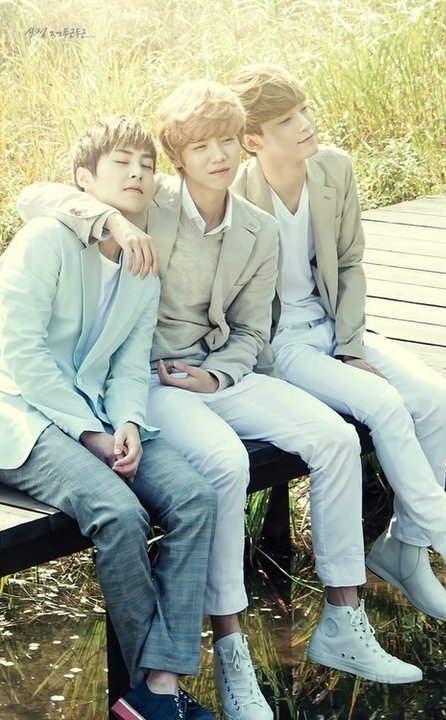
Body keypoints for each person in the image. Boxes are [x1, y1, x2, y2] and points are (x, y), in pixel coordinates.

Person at [17, 81, 423, 716]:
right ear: (179, 157)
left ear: (244, 144)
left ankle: (343, 619)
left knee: (336, 438)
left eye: (228, 141)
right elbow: (39, 198)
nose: (219, 155)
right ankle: (230, 657)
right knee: (221, 468)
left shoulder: (254, 229)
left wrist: (216, 377)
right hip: (139, 385)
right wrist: (113, 218)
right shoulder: (143, 205)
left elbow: (253, 330)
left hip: (209, 377)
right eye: (201, 145)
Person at [230, 63, 446, 624]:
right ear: (252, 139)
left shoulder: (333, 168)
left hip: (333, 325)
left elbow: (348, 264)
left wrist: (349, 346)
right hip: (283, 345)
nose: (305, 124)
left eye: (304, 110)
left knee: (435, 398)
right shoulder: (235, 194)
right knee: (383, 404)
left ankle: (406, 548)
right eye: (286, 120)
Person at [0, 116, 218, 720]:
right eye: (122, 163)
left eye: (147, 165)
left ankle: (158, 687)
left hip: (97, 414)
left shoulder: (141, 262)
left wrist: (126, 423)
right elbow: (20, 353)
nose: (138, 173)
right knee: (120, 513)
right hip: (19, 414)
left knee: (195, 498)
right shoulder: (45, 239)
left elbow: (127, 366)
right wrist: (90, 433)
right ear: (84, 180)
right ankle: (157, 698)